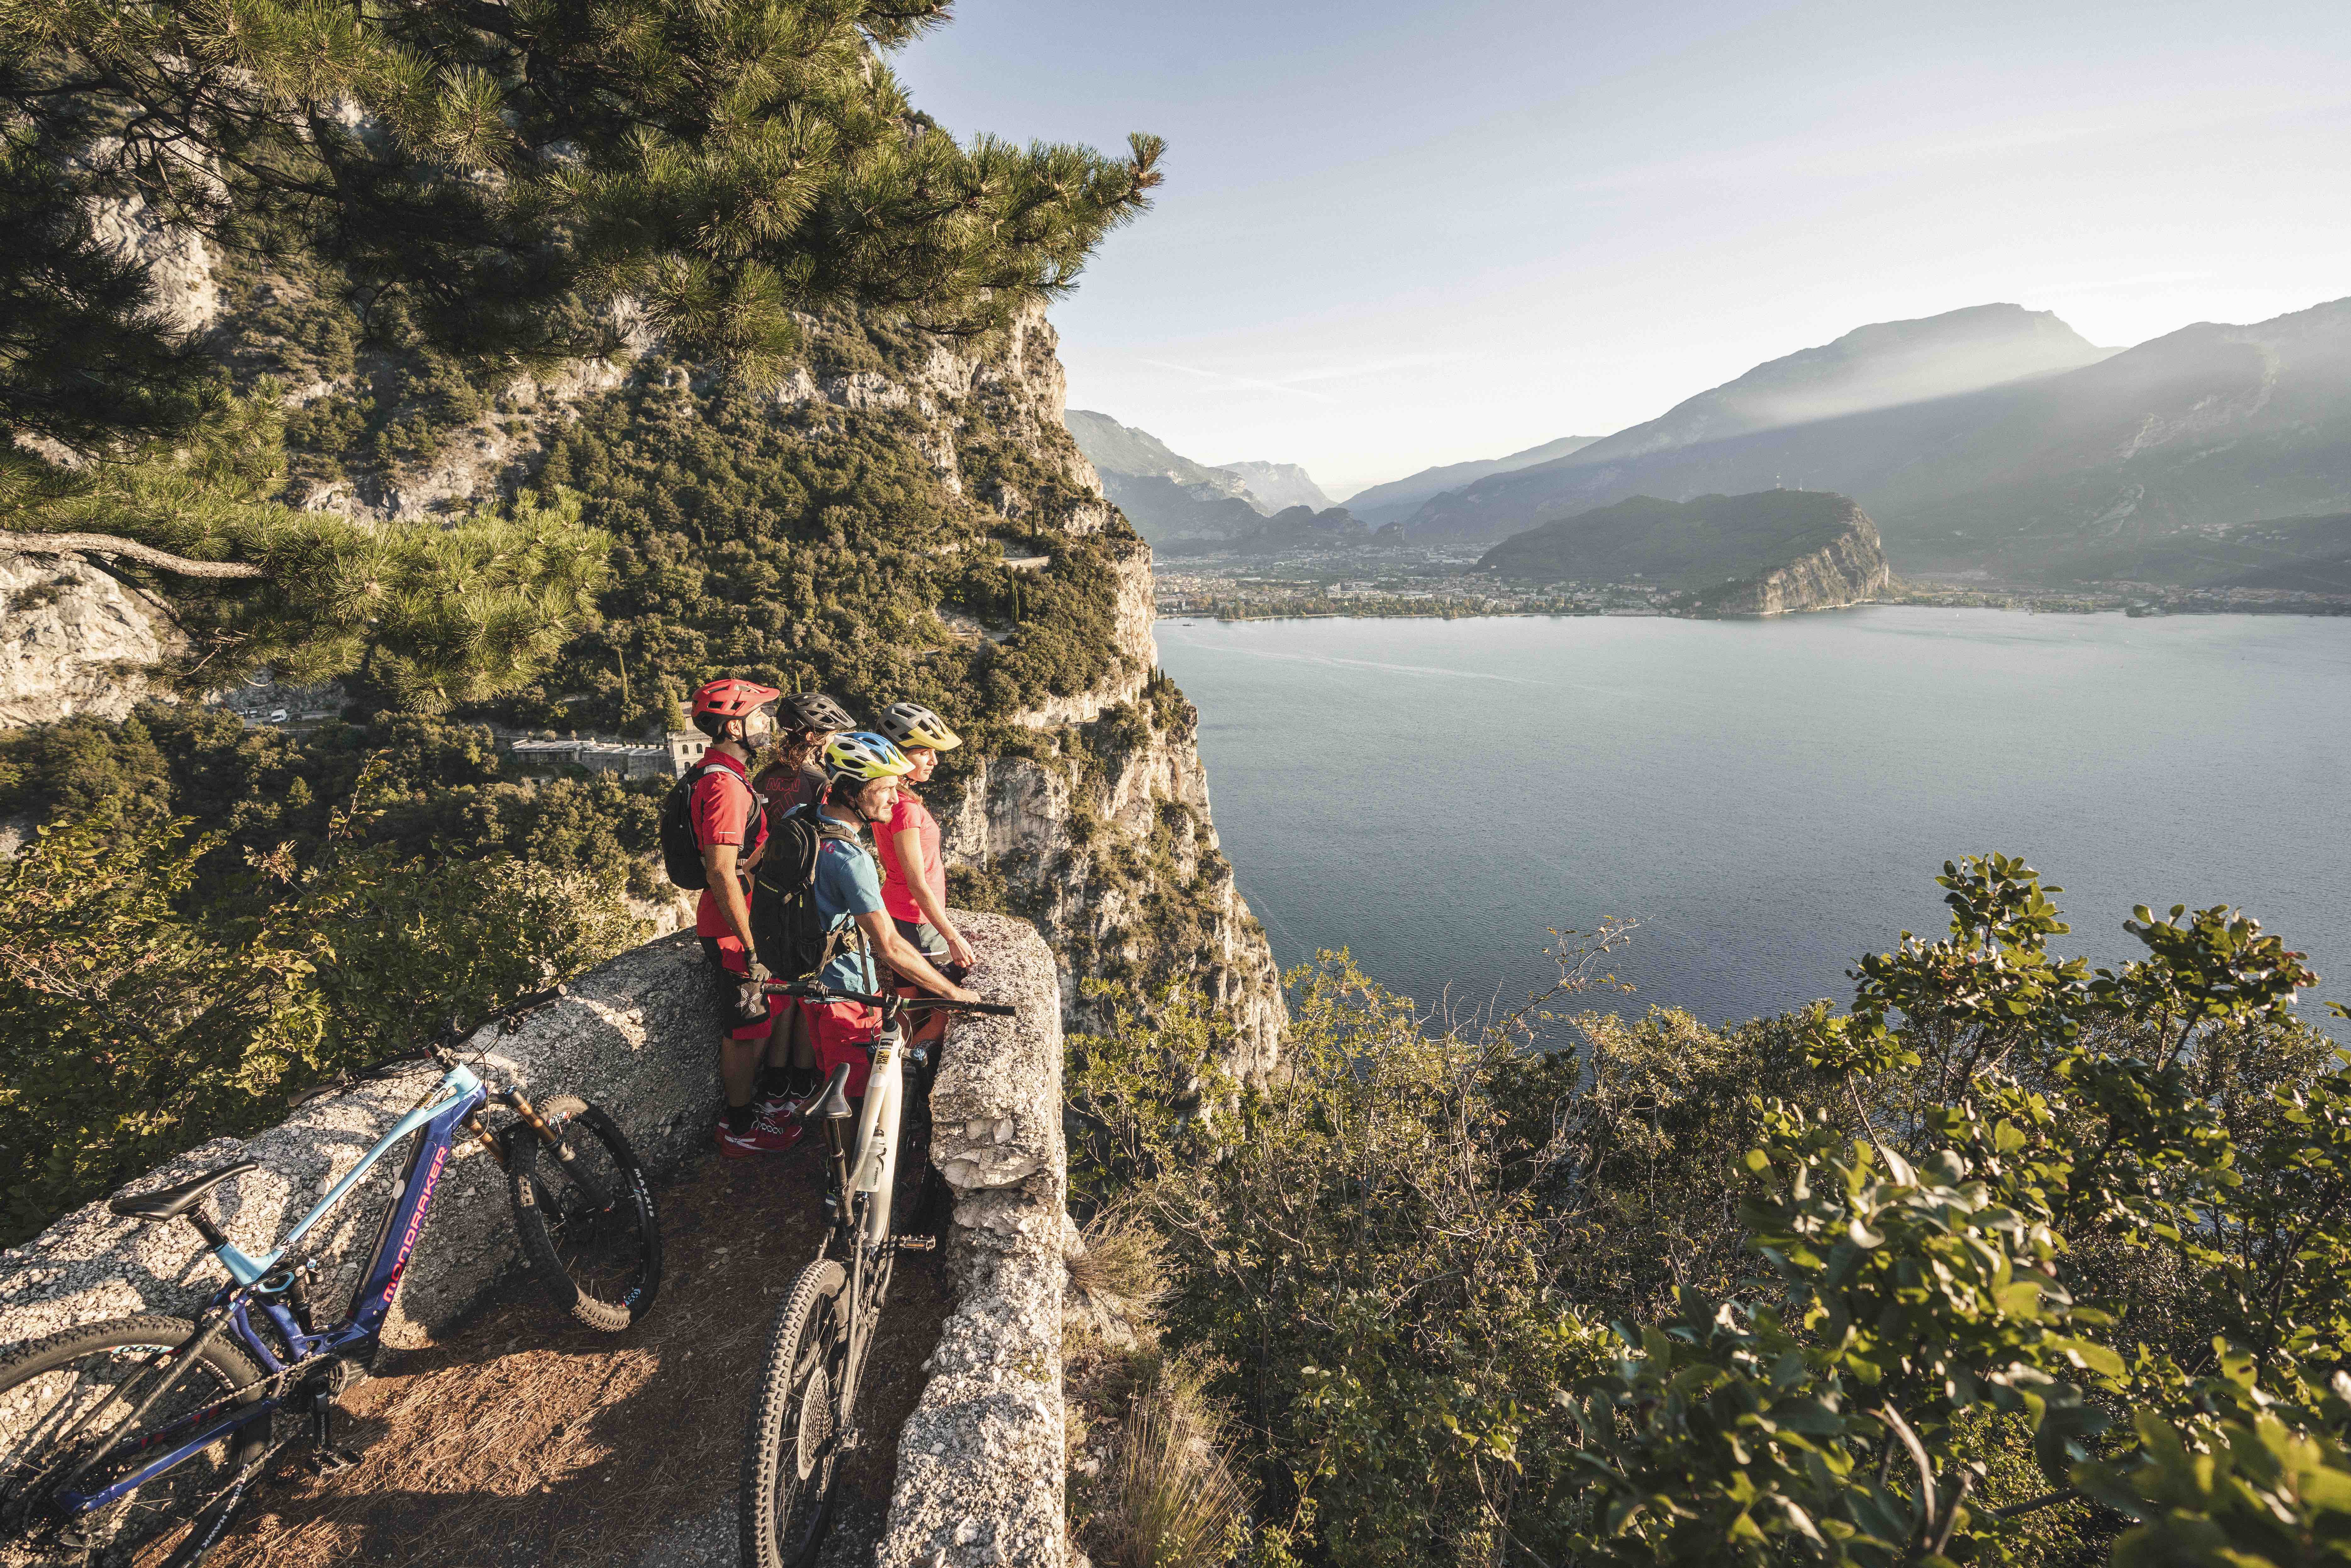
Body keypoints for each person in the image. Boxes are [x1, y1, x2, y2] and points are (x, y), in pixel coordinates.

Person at [799, 731, 981, 1098]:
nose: (895, 799)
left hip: (804, 976)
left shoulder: (798, 820)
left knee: (831, 1081)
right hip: (846, 988)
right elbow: (889, 947)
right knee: (849, 1095)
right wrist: (953, 994)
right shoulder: (852, 860)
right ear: (853, 791)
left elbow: (753, 870)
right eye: (885, 789)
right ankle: (849, 1153)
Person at [685, 677, 801, 1158]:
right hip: (735, 928)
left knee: (760, 1018)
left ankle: (754, 1109)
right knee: (745, 1027)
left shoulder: (722, 772)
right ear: (734, 724)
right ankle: (736, 1125)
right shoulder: (724, 786)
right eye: (759, 717)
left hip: (744, 920)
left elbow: (735, 863)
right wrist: (752, 945)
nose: (767, 726)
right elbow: (719, 872)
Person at [872, 702, 975, 1052]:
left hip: (898, 915)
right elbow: (918, 881)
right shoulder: (905, 809)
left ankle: (891, 1082)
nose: (933, 761)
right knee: (943, 1013)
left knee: (907, 1007)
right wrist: (952, 937)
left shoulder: (890, 800)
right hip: (919, 923)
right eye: (923, 752)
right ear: (898, 756)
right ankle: (909, 1073)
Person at [753, 691, 853, 815]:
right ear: (812, 738)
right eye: (832, 735)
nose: (835, 740)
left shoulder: (762, 777)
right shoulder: (821, 784)